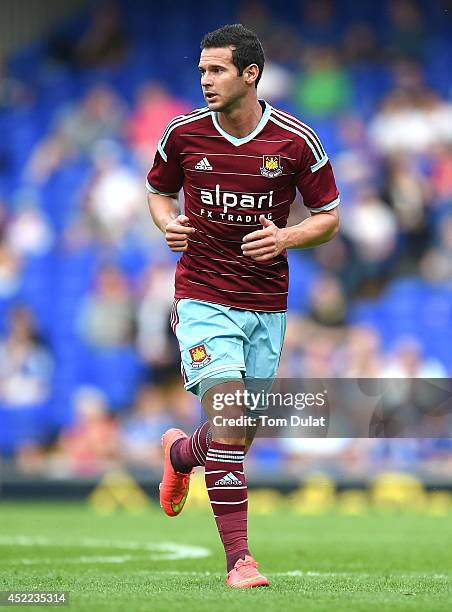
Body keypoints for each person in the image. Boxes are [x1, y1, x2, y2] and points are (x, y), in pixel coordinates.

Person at [146, 24, 340, 589]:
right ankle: (240, 562)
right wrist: (168, 223)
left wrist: (286, 237)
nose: (204, 79)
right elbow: (159, 191)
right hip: (203, 294)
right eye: (201, 70)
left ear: (249, 73)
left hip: (266, 303)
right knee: (230, 419)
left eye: (216, 70)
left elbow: (329, 217)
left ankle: (183, 453)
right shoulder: (182, 135)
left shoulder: (296, 141)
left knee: (237, 434)